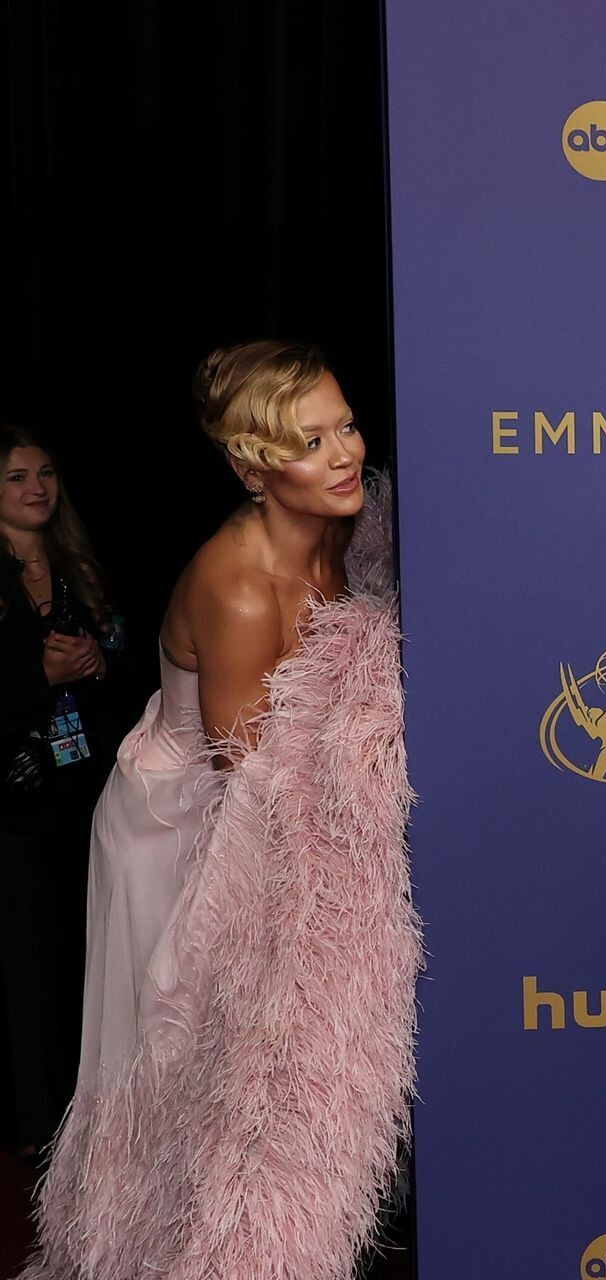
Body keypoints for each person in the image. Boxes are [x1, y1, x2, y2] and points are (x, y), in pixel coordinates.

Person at [17, 342, 419, 1280]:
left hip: (253, 797)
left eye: (345, 427)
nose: (344, 455)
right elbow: (250, 771)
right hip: (181, 821)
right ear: (251, 469)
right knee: (180, 1052)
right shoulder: (237, 588)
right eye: (309, 443)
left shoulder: (337, 527)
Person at [0, 427, 122, 1163]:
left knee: (85, 959)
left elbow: (130, 654)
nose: (37, 488)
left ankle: (89, 1131)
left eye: (45, 472)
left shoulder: (80, 564)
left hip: (86, 796)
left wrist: (97, 664)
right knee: (27, 973)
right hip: (12, 811)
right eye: (17, 477)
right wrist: (38, 677)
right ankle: (38, 1139)